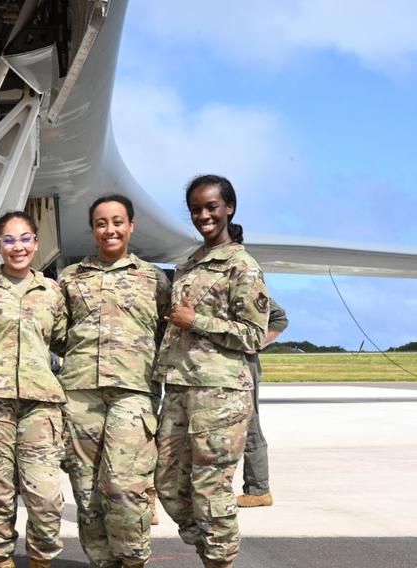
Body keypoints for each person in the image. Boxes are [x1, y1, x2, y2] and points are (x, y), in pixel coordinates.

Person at [154, 174, 269, 568]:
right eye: (196, 209)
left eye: (211, 207)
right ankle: (207, 543)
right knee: (167, 483)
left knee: (211, 491)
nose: (203, 215)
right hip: (181, 388)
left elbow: (254, 334)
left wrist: (197, 320)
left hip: (220, 395)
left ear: (228, 208)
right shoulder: (190, 263)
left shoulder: (243, 266)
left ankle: (219, 560)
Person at [58, 195, 171, 568]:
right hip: (80, 394)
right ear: (92, 229)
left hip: (133, 393)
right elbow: (59, 332)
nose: (110, 229)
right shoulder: (70, 278)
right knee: (87, 492)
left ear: (131, 226)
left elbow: (167, 332)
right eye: (102, 223)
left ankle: (133, 560)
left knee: (125, 487)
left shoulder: (153, 278)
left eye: (118, 221)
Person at [0, 211, 68, 568]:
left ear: (36, 242)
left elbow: (68, 342)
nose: (17, 247)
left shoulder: (52, 290)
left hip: (40, 405)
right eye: (8, 240)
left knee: (46, 496)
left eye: (24, 239)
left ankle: (40, 560)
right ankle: (1, 561)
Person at [237, 300, 288, 508]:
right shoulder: (177, 277)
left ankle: (258, 490)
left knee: (249, 424)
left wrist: (256, 343)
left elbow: (278, 317)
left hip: (241, 365)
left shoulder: (237, 275)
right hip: (201, 366)